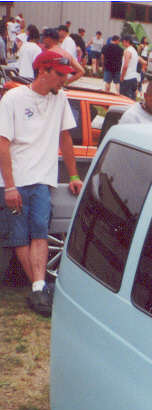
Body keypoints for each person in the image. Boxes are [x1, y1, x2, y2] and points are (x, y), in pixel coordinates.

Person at [0, 52, 83, 316]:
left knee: (39, 232)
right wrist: (9, 186)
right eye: (59, 74)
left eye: (65, 75)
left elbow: (65, 138)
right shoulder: (13, 98)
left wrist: (73, 176)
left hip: (42, 180)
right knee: (19, 236)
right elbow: (3, 142)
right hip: (15, 181)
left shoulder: (60, 99)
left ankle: (38, 289)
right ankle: (39, 290)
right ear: (43, 71)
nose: (64, 80)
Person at [119, 36, 140, 100]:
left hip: (127, 78)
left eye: (123, 42)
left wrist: (122, 77)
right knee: (132, 99)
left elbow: (125, 65)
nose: (122, 43)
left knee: (124, 99)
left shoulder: (128, 51)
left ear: (127, 41)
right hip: (134, 78)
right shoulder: (134, 51)